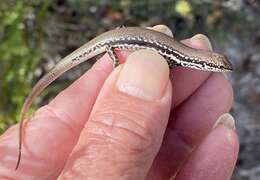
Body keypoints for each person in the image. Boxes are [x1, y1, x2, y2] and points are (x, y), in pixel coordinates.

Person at [0, 25, 238, 179]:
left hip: (121, 36)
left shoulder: (184, 57)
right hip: (111, 42)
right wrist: (129, 68)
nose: (221, 69)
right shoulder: (182, 56)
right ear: (207, 64)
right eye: (219, 66)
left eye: (220, 66)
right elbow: (166, 62)